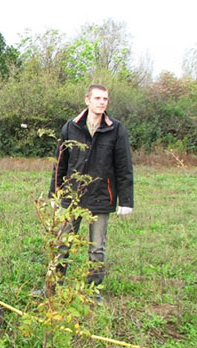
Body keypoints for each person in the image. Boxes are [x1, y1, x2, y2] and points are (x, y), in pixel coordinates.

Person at [47, 84, 134, 298]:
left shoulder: (116, 130)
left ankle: (92, 292)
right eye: (97, 98)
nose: (102, 102)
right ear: (87, 100)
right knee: (62, 244)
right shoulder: (71, 127)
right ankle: (53, 288)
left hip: (101, 198)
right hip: (71, 197)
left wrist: (126, 200)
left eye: (105, 99)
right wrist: (54, 193)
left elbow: (124, 166)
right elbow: (60, 163)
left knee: (97, 249)